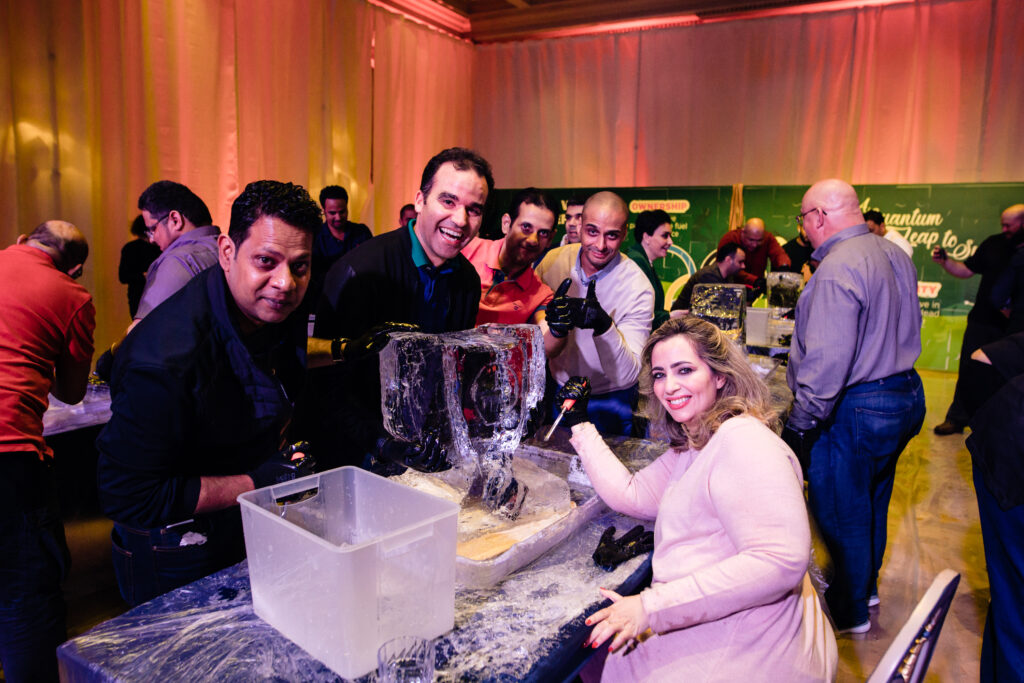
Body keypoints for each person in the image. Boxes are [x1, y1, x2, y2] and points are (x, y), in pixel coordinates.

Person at [563, 317, 837, 681]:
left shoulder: (743, 440)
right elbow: (633, 495)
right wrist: (580, 422)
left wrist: (650, 607)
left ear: (720, 375)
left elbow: (780, 560)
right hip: (729, 630)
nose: (669, 386)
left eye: (685, 370)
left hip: (750, 655)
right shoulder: (698, 442)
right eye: (659, 375)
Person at [96, 180, 328, 606]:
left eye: (300, 266)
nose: (285, 282)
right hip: (172, 547)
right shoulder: (168, 357)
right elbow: (128, 493)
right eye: (266, 261)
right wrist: (257, 481)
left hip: (235, 523)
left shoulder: (269, 306)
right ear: (226, 252)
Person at [783, 178, 925, 634]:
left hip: (857, 407)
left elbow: (826, 365)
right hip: (904, 396)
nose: (803, 230)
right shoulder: (893, 253)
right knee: (872, 500)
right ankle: (867, 587)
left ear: (819, 217)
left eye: (804, 220)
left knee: (841, 511)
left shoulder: (837, 268)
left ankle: (849, 613)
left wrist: (799, 425)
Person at [311, 147, 491, 470]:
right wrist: (382, 445)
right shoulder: (361, 271)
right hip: (354, 457)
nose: (461, 220)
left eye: (474, 209)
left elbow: (449, 372)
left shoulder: (466, 281)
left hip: (421, 453)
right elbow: (327, 388)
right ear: (420, 201)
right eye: (448, 201)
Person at [0, 221, 94, 682]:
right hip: (10, 454)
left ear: (23, 239)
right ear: (74, 268)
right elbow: (73, 392)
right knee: (24, 591)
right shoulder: (72, 296)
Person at [536, 191, 654, 436]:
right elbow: (533, 330)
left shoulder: (639, 287)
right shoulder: (553, 262)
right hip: (558, 390)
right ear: (579, 227)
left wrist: (603, 326)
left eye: (611, 236)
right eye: (592, 231)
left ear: (623, 234)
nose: (600, 246)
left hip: (610, 399)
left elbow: (627, 376)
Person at [932, 203, 1024, 435]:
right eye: (1002, 224)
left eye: (1009, 225)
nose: (1004, 229)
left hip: (1014, 327)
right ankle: (957, 418)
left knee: (1007, 378)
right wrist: (945, 261)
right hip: (982, 320)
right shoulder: (994, 243)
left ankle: (999, 426)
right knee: (969, 370)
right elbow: (966, 270)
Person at [965, 332, 1024, 681]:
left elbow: (982, 358)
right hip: (1010, 454)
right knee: (1016, 604)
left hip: (1007, 431)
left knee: (1012, 601)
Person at [462, 187, 570, 357]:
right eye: (526, 227)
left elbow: (546, 347)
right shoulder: (466, 251)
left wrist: (559, 327)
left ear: (550, 239)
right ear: (506, 224)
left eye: (543, 233)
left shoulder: (540, 294)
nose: (533, 240)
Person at [133, 180, 220, 324]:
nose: (151, 240)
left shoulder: (176, 261)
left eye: (153, 229)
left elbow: (145, 332)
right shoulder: (230, 250)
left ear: (175, 220)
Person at [309, 185, 373, 305]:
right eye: (332, 213)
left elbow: (372, 265)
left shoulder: (361, 232)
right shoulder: (315, 237)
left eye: (342, 212)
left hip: (360, 298)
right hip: (326, 300)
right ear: (323, 210)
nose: (338, 217)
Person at [627, 209, 672, 330]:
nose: (670, 242)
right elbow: (637, 312)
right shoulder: (636, 261)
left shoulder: (645, 261)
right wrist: (669, 317)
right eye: (665, 236)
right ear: (646, 237)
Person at [717, 217, 790, 291]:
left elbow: (779, 254)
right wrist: (755, 280)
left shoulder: (767, 238)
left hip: (756, 289)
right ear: (743, 232)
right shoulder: (730, 239)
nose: (754, 245)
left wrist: (784, 266)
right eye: (751, 240)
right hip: (732, 289)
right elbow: (727, 268)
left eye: (759, 240)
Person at [670, 242, 746, 312]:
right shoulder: (708, 276)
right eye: (740, 262)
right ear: (728, 260)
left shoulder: (728, 277)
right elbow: (716, 308)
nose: (743, 266)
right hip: (682, 322)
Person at [117, 215, 161, 318]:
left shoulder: (160, 247)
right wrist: (143, 276)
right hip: (139, 296)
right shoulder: (131, 248)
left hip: (153, 295)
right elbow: (123, 276)